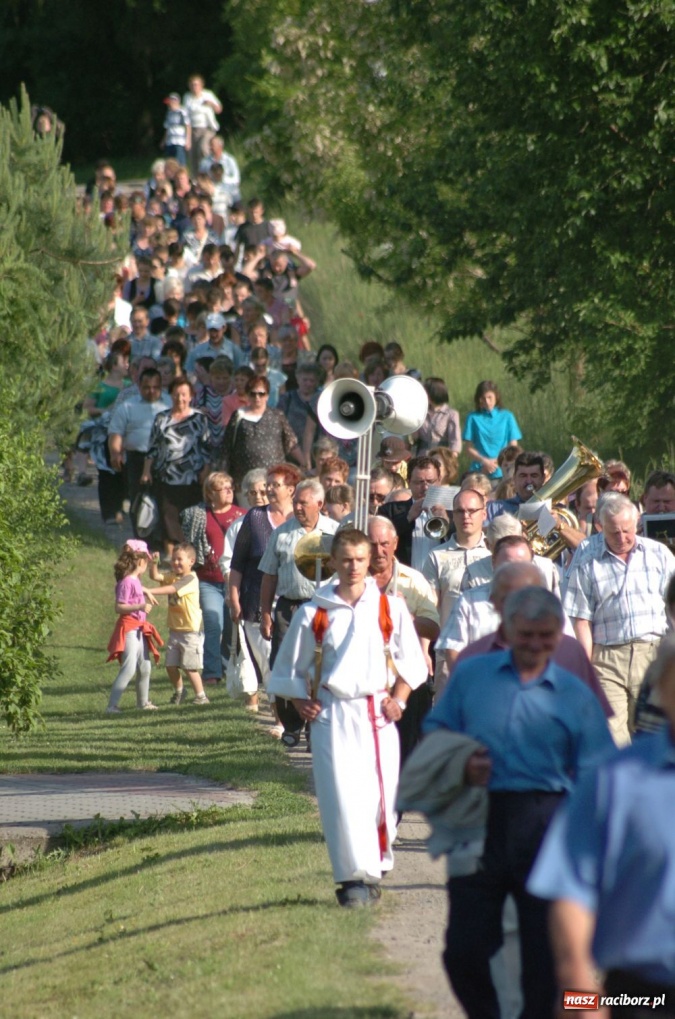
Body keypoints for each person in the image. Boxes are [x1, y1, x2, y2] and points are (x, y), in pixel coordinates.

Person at [424, 586, 614, 1018]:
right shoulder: (472, 677)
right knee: (464, 951)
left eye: (545, 636)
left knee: (542, 956)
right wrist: (460, 760)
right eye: (525, 634)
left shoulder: (574, 696)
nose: (534, 645)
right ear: (507, 629)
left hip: (549, 822)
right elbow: (436, 731)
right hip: (482, 819)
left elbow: (599, 774)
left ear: (558, 634)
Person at [268, 528, 428, 906]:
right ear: (334, 562)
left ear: (369, 558)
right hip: (333, 712)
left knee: (380, 798)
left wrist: (399, 700)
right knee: (341, 795)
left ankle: (374, 867)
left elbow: (413, 663)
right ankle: (351, 881)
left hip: (376, 713)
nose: (354, 567)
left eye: (360, 559)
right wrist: (300, 702)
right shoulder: (316, 611)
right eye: (346, 560)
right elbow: (290, 666)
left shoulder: (389, 607)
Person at [528, 630, 675, 1018]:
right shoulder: (615, 779)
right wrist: (578, 989)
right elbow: (570, 889)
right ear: (662, 685)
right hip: (644, 997)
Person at [563, 493, 675, 745]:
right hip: (607, 659)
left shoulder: (659, 554)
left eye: (627, 531)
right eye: (614, 533)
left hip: (653, 653)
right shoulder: (587, 557)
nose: (622, 538)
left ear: (636, 524)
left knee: (655, 737)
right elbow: (581, 618)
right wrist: (586, 667)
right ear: (601, 527)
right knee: (611, 738)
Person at [259, 478, 339, 741]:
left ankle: (321, 723)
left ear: (320, 504)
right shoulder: (282, 534)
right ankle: (291, 726)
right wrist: (266, 614)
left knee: (321, 665)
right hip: (289, 608)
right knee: (285, 662)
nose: (298, 507)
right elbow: (269, 575)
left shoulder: (334, 533)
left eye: (303, 503)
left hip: (325, 608)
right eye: (295, 502)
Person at [229, 464, 300, 732]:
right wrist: (233, 597)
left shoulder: (301, 517)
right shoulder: (255, 518)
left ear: (291, 490)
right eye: (267, 484)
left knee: (295, 662)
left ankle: (297, 716)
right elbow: (237, 562)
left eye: (275, 485)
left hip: (295, 602)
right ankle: (281, 722)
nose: (269, 489)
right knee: (271, 663)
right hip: (256, 604)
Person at [368, 516, 440, 763]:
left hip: (406, 680)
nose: (379, 551)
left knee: (407, 753)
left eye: (385, 543)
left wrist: (406, 618)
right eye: (372, 544)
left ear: (396, 543)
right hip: (366, 679)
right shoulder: (352, 582)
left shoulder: (414, 580)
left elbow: (434, 629)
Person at [422, 487, 491, 689]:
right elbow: (429, 607)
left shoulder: (495, 553)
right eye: (460, 511)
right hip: (448, 651)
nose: (466, 516)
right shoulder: (436, 555)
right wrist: (424, 649)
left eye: (472, 511)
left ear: (484, 513)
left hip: (488, 650)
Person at [180, 472, 245, 687]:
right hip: (208, 580)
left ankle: (227, 666)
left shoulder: (242, 515)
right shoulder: (200, 515)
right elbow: (190, 542)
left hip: (234, 581)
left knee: (230, 628)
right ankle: (211, 674)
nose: (229, 491)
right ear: (210, 493)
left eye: (230, 487)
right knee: (212, 623)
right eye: (222, 488)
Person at [141, 377, 212, 555]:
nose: (180, 398)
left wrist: (206, 470)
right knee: (168, 518)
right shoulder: (161, 419)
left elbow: (207, 448)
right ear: (170, 395)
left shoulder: (200, 419)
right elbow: (153, 448)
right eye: (176, 394)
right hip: (166, 477)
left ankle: (189, 557)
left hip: (192, 478)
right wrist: (146, 471)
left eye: (184, 394)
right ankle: (173, 558)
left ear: (190, 396)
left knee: (190, 518)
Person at [107, 367, 171, 541]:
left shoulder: (169, 403)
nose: (151, 391)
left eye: (155, 387)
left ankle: (161, 540)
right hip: (136, 458)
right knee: (138, 500)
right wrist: (115, 453)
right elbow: (116, 432)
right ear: (139, 386)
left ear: (160, 386)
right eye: (146, 387)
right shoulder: (128, 406)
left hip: (164, 459)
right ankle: (141, 540)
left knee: (163, 500)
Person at [218, 374, 306, 489]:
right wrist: (223, 475)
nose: (257, 397)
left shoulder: (277, 416)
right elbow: (226, 448)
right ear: (248, 395)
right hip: (244, 482)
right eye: (253, 394)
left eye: (261, 393)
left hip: (275, 480)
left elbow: (291, 443)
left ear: (267, 396)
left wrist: (304, 463)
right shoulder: (238, 416)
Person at [148, 543, 209, 704]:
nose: (175, 563)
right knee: (170, 665)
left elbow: (171, 590)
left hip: (190, 631)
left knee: (190, 667)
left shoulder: (190, 579)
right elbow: (155, 577)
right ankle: (180, 692)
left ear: (191, 561)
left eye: (179, 559)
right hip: (175, 630)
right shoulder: (173, 575)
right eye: (173, 559)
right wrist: (154, 563)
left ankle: (201, 696)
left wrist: (147, 591)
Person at [105, 542, 162, 713]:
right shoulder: (126, 582)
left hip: (139, 628)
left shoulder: (134, 579)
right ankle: (111, 706)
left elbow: (137, 586)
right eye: (147, 560)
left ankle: (143, 703)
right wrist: (139, 606)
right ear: (140, 562)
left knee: (145, 667)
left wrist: (147, 591)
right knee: (129, 668)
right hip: (129, 628)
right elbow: (119, 607)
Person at [463, 380, 522, 480]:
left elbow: (513, 445)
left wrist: (497, 462)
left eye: (490, 397)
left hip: (503, 470)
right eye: (483, 398)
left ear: (496, 397)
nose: (487, 401)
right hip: (480, 470)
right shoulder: (473, 417)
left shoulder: (507, 416)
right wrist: (484, 461)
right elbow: (468, 448)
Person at [183, 75, 222, 178]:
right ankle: (196, 178)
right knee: (193, 155)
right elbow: (186, 118)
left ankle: (209, 171)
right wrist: (187, 138)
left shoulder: (208, 95)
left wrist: (211, 104)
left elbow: (219, 109)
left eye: (196, 84)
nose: (194, 87)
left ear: (201, 85)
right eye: (192, 85)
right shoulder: (187, 98)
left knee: (203, 148)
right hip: (193, 129)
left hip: (207, 128)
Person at [415, 377, 462, 456]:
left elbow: (455, 442)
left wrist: (450, 461)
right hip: (422, 457)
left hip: (441, 456)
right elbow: (414, 438)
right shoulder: (420, 412)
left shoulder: (451, 414)